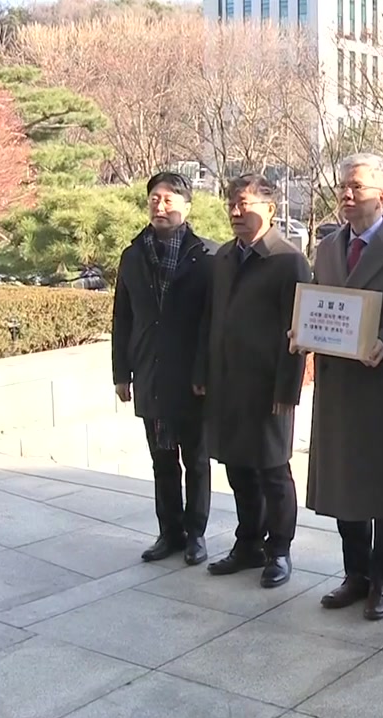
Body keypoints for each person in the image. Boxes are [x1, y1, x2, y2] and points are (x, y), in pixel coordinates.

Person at [297, 153, 383, 621]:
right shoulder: (328, 248)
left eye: (357, 186)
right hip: (337, 387)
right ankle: (354, 573)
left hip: (380, 385)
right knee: (343, 481)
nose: (346, 194)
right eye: (343, 185)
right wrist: (301, 333)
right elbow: (318, 303)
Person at [195, 173, 312, 589]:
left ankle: (279, 550)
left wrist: (287, 388)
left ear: (270, 209)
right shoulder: (224, 256)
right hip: (226, 381)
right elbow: (209, 318)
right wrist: (201, 371)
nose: (235, 211)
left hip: (267, 385)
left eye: (244, 203)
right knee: (238, 467)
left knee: (273, 471)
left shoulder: (288, 260)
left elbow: (299, 330)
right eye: (231, 203)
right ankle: (248, 543)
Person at [112, 172, 217, 566]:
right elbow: (123, 317)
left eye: (169, 199)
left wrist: (205, 372)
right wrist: (121, 373)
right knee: (161, 459)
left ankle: (196, 534)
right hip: (150, 372)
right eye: (154, 198)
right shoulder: (133, 255)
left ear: (187, 206)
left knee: (196, 460)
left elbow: (212, 322)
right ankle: (169, 532)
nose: (160, 206)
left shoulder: (206, 257)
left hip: (191, 378)